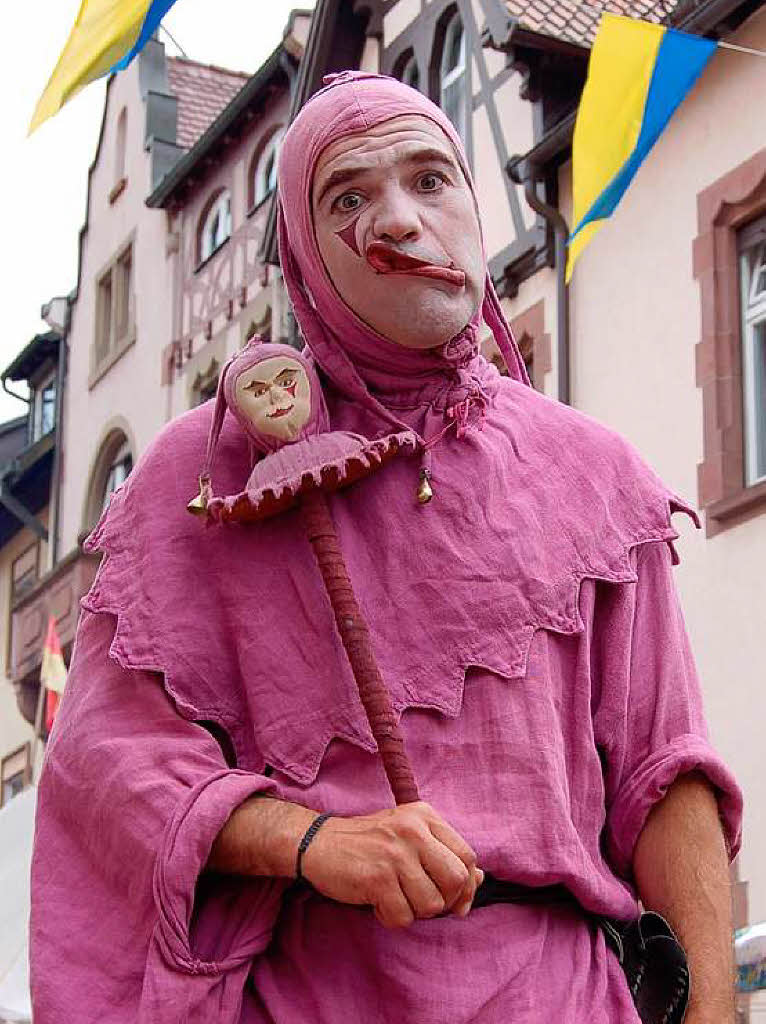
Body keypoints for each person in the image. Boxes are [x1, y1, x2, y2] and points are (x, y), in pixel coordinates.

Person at [30, 72, 742, 1024]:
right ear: (303, 257)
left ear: (474, 208)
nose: (401, 222)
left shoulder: (593, 474)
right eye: (349, 198)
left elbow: (666, 778)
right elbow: (110, 773)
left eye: (431, 180)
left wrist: (713, 1016)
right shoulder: (203, 480)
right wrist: (316, 840)